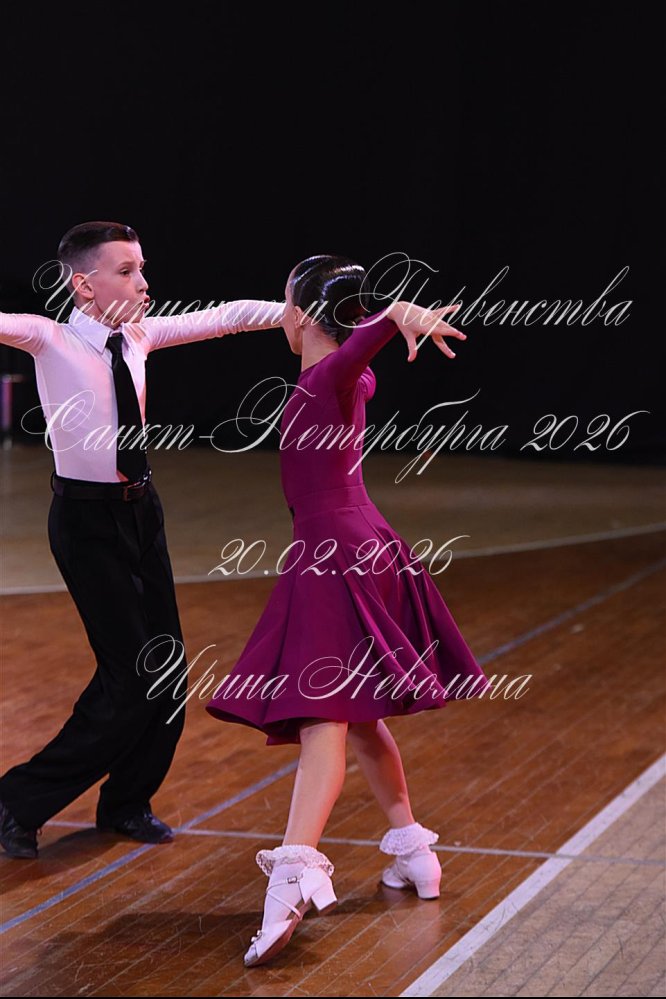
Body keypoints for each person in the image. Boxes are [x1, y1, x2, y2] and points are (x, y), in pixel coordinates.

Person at [204, 254, 494, 966]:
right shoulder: (347, 380)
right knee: (359, 716)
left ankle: (292, 876)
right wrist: (380, 317)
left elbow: (354, 351)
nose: (280, 315)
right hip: (366, 542)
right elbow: (355, 355)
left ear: (304, 315)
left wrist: (392, 315)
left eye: (285, 304)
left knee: (321, 719)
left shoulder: (324, 380)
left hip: (335, 553)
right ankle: (414, 854)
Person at [0, 220, 286, 859]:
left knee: (166, 671)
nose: (143, 283)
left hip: (141, 513)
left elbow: (229, 317)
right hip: (85, 524)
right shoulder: (49, 338)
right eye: (127, 271)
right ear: (84, 285)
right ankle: (16, 801)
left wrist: (301, 309)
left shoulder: (139, 336)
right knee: (130, 678)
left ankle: (127, 802)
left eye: (142, 269)